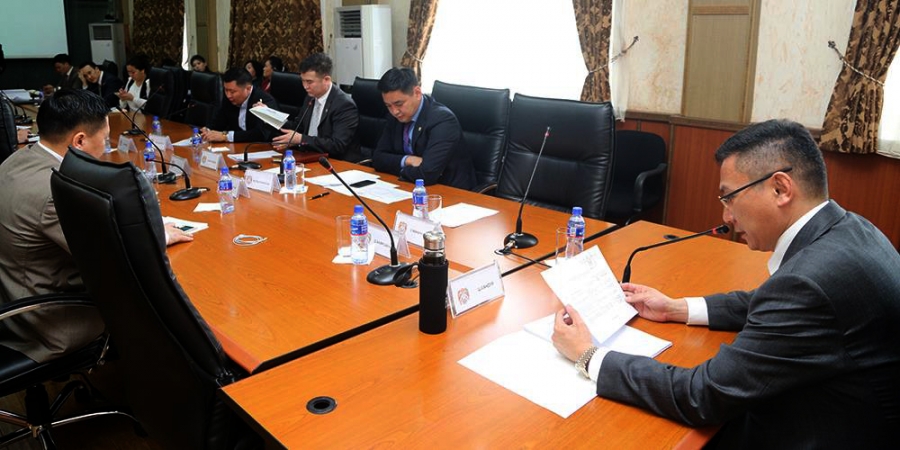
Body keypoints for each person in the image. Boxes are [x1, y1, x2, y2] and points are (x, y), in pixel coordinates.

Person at [551, 119, 900, 449]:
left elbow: (701, 395)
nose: (726, 217)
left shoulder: (808, 283)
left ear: (780, 188)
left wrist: (589, 355)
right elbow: (772, 303)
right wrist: (678, 308)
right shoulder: (850, 228)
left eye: (730, 197)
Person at [0, 89, 192, 364]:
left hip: (13, 294)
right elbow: (116, 255)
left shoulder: (17, 159)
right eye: (104, 139)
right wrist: (158, 234)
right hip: (45, 322)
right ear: (79, 140)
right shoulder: (55, 190)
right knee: (162, 302)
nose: (106, 147)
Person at [371, 67, 476, 190]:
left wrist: (396, 168)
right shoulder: (396, 117)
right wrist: (407, 160)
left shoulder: (443, 120)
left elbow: (427, 174)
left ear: (417, 93)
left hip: (449, 191)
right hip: (410, 187)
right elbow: (377, 159)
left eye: (399, 104)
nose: (394, 111)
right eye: (388, 106)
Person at [271, 53, 360, 160]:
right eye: (302, 81)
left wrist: (301, 139)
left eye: (309, 82)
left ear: (326, 80)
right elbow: (298, 127)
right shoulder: (310, 97)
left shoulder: (344, 105)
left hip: (336, 162)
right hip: (309, 157)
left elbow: (337, 145)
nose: (305, 86)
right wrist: (269, 116)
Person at [202, 67, 279, 143]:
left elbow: (260, 134)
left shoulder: (265, 101)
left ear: (248, 89)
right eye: (226, 90)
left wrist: (226, 136)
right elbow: (219, 121)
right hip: (237, 146)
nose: (228, 95)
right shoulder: (229, 98)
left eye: (232, 92)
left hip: (262, 147)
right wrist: (208, 130)